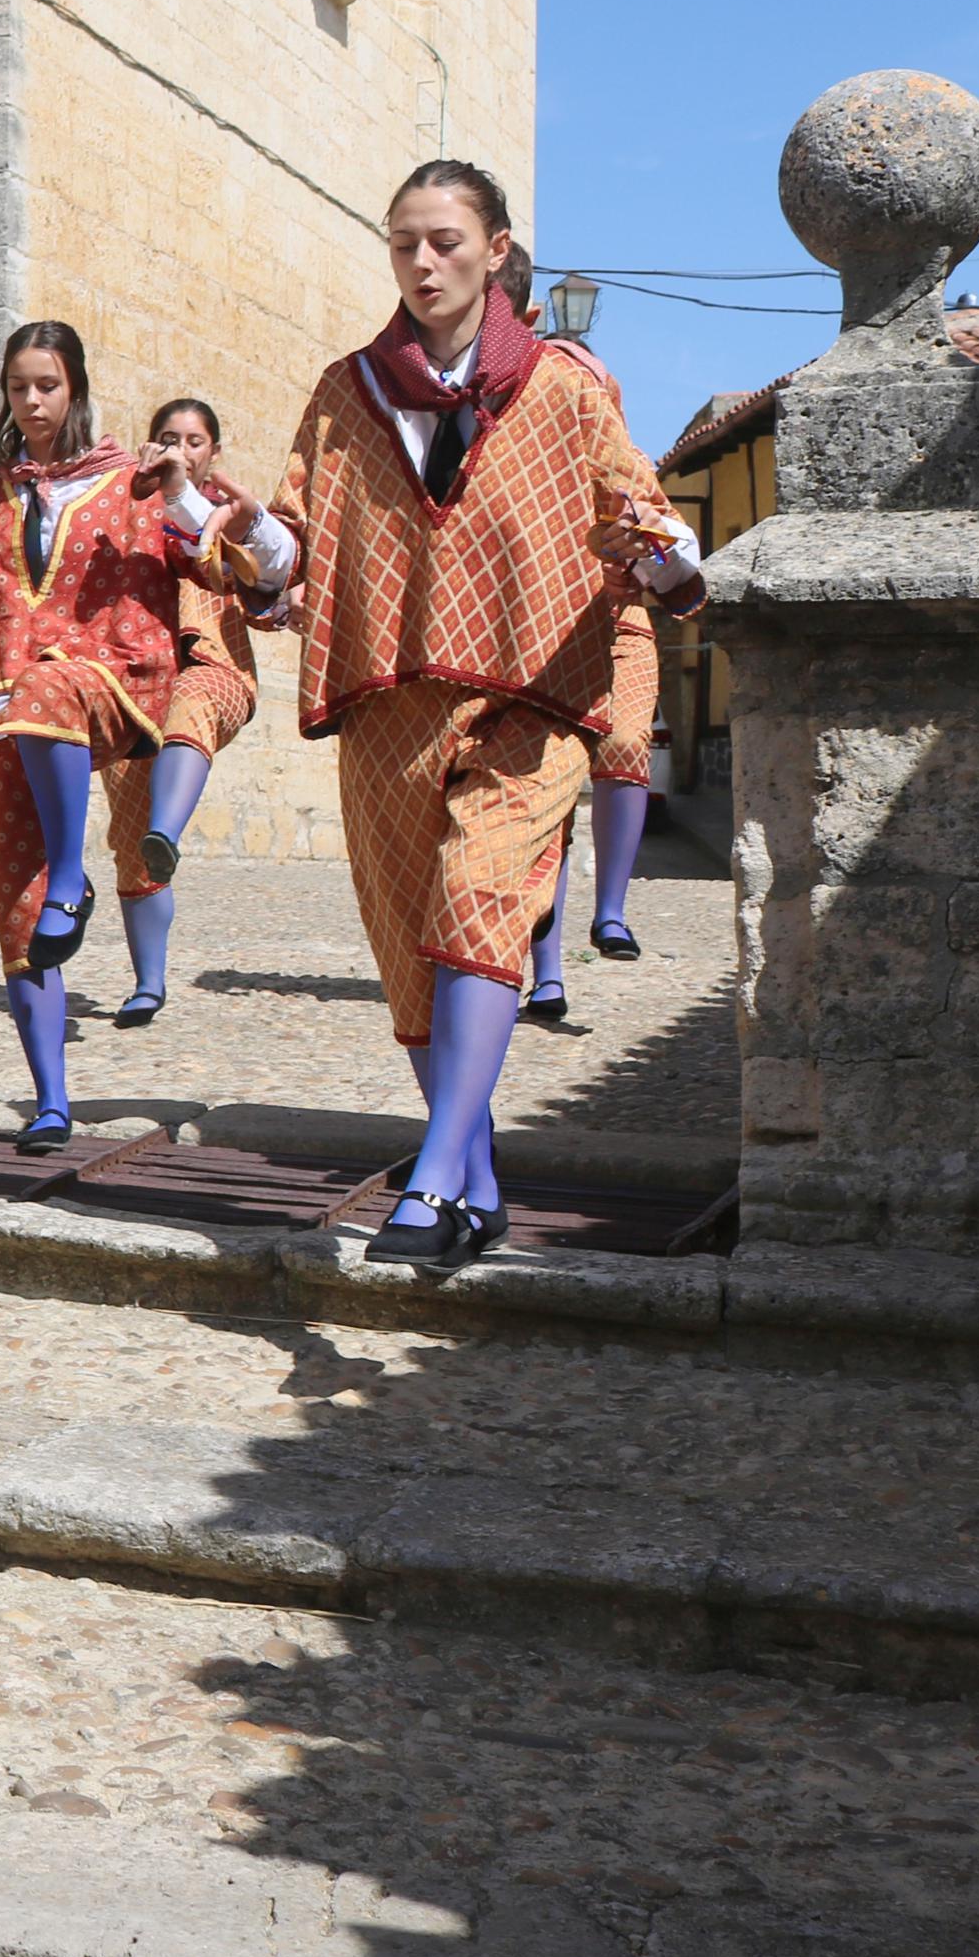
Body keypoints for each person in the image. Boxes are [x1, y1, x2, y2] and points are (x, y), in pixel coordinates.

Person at [228, 159, 704, 1271]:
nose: (421, 260)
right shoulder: (345, 391)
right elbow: (297, 532)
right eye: (403, 242)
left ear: (495, 251)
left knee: (479, 905)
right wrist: (256, 539)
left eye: (443, 239)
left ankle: (432, 1170)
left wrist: (665, 551)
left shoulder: (562, 387)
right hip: (388, 696)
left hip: (528, 699)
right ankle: (476, 1182)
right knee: (410, 953)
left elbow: (639, 512)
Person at [0, 324, 223, 1153]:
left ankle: (74, 876)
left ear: (73, 387)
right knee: (16, 908)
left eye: (45, 385)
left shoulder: (132, 482)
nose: (31, 402)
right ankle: (50, 1098)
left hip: (105, 683)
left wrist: (181, 492)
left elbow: (222, 560)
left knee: (46, 681)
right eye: (17, 388)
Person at [505, 254, 662, 1021]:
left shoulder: (628, 463)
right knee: (549, 798)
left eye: (590, 389)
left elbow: (667, 537)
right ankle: (547, 973)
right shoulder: (521, 461)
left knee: (628, 743)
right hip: (550, 630)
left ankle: (612, 910)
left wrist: (650, 550)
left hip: (621, 622)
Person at [95, 396, 270, 1026]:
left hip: (217, 668)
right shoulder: (123, 506)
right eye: (169, 437)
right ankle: (149, 981)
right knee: (127, 842)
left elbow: (261, 579)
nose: (182, 449)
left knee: (192, 709)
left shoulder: (232, 513)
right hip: (139, 681)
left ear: (213, 451)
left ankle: (166, 831)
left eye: (194, 440)